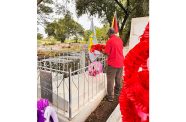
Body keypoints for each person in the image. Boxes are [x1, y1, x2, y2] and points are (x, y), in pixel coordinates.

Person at [101, 28, 124, 102]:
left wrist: (102, 51)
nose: (108, 36)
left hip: (113, 63)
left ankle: (110, 97)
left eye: (108, 34)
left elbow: (107, 53)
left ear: (110, 33)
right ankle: (117, 92)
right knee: (118, 78)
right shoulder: (120, 40)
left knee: (110, 80)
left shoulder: (110, 41)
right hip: (120, 62)